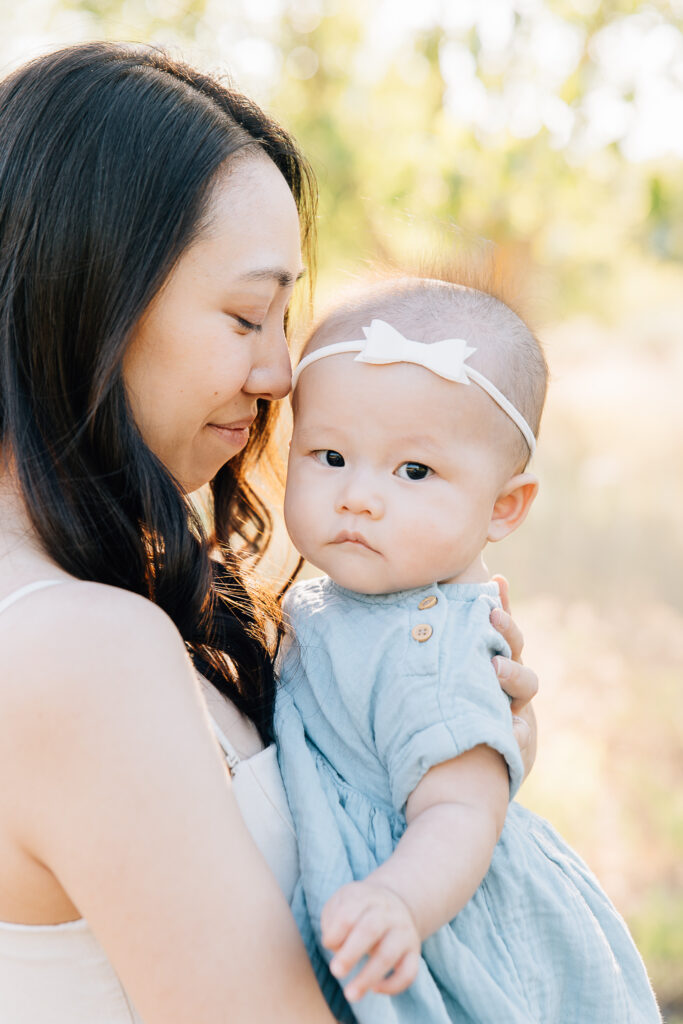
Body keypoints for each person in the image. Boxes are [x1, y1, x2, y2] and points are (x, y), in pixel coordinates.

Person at [0, 43, 538, 1024]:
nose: (281, 373)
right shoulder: (78, 649)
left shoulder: (96, 601)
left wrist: (449, 751)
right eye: (250, 314)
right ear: (90, 299)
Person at [274, 275, 662, 1023]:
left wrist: (398, 901)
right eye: (327, 455)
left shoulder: (431, 637)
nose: (358, 495)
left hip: (434, 917)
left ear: (503, 507)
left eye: (413, 471)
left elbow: (460, 809)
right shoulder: (338, 604)